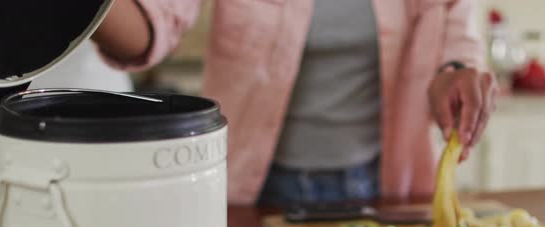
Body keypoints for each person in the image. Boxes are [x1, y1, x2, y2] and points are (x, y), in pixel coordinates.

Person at [93, 0, 497, 207]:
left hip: (384, 187)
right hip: (248, 195)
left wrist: (457, 67)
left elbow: (455, 20)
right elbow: (153, 21)